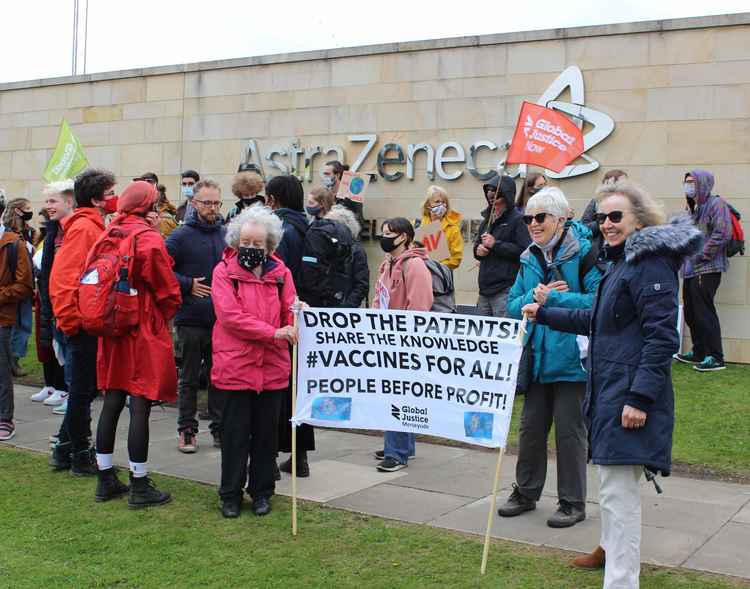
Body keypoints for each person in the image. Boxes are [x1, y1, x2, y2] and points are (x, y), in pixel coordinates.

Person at [523, 180, 702, 588]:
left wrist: (639, 398)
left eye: (616, 216)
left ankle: (622, 582)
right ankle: (613, 566)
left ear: (639, 220)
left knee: (620, 499)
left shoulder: (650, 265)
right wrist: (545, 313)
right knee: (611, 492)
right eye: (602, 217)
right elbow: (597, 322)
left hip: (628, 398)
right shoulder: (620, 264)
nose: (607, 224)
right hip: (609, 393)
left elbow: (662, 338)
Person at [498, 187, 602, 528]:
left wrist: (558, 301)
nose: (533, 223)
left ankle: (572, 502)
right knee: (530, 430)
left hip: (573, 359)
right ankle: (526, 492)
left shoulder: (585, 252)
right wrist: (535, 295)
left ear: (560, 219)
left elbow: (599, 303)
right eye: (528, 217)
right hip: (537, 359)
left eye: (540, 217)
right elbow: (512, 307)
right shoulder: (528, 258)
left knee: (570, 434)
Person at [93, 180, 182, 508]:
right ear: (148, 206)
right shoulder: (147, 239)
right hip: (141, 327)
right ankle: (139, 483)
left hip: (112, 327)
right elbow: (168, 290)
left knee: (113, 399)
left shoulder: (109, 232)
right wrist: (166, 316)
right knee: (141, 403)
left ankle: (104, 478)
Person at [212, 206, 297, 518]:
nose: (250, 248)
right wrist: (273, 333)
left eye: (257, 244)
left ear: (269, 246)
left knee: (265, 437)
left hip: (272, 370)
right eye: (245, 242)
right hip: (236, 367)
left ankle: (262, 492)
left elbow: (290, 308)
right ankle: (230, 494)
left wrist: (298, 317)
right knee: (234, 437)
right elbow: (230, 317)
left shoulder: (281, 274)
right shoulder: (224, 273)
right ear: (236, 242)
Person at [49, 168, 118, 475]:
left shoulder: (90, 226)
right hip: (81, 322)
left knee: (84, 389)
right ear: (95, 199)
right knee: (81, 390)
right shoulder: (84, 229)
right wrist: (72, 320)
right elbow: (63, 279)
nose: (115, 197)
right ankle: (79, 453)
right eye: (110, 193)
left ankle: (65, 449)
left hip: (85, 320)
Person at [166, 179, 227, 453]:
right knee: (189, 379)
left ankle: (219, 428)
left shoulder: (227, 234)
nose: (212, 208)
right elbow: (159, 269)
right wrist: (187, 284)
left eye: (216, 202)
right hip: (190, 318)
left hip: (222, 321)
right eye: (206, 203)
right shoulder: (180, 236)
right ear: (194, 203)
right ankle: (187, 430)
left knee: (219, 377)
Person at [372, 218, 433, 472]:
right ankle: (400, 445)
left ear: (404, 237)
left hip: (404, 340)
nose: (385, 237)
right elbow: (379, 298)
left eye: (390, 233)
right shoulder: (387, 265)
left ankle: (396, 452)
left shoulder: (415, 266)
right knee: (396, 392)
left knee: (397, 392)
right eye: (383, 232)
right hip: (387, 338)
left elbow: (419, 306)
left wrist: (404, 336)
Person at [675, 170, 733, 372]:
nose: (688, 185)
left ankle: (716, 356)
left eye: (692, 182)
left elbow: (722, 233)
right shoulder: (693, 207)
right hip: (691, 269)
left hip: (707, 268)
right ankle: (699, 351)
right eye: (686, 182)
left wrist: (700, 255)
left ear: (703, 183)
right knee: (691, 312)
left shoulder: (717, 204)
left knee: (704, 312)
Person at [31, 182, 75, 406]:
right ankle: (56, 387)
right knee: (53, 346)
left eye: (53, 201)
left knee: (69, 353)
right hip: (52, 300)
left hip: (70, 303)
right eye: (47, 201)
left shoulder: (75, 230)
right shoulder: (53, 232)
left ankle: (68, 393)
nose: (48, 206)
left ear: (69, 202)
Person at [0, 196, 34, 441]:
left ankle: (4, 418)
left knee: (2, 371)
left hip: (2, 317)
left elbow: (23, 285)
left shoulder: (13, 243)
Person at [473, 175, 531, 318]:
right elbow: (476, 245)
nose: (494, 203)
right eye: (490, 198)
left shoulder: (518, 220)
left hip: (505, 290)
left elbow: (525, 251)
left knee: (501, 334)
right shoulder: (486, 220)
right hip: (484, 290)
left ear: (507, 197)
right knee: (482, 335)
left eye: (497, 198)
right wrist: (478, 251)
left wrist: (496, 244)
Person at [3, 197, 37, 378]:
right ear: (17, 210)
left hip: (25, 282)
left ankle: (14, 359)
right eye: (27, 208)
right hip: (12, 283)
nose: (30, 211)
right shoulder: (8, 233)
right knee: (12, 324)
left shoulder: (29, 231)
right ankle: (10, 360)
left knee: (24, 323)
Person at [417, 185, 463, 270]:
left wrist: (437, 266)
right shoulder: (417, 225)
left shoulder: (452, 228)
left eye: (443, 202)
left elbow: (456, 258)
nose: (441, 205)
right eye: (437, 201)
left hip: (441, 275)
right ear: (428, 204)